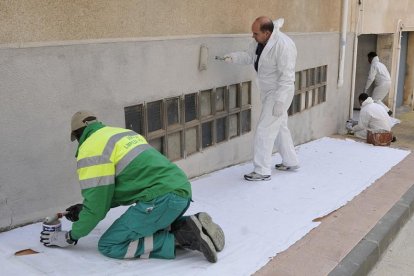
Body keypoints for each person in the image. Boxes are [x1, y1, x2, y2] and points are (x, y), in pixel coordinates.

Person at [40, 111, 225, 263]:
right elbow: (123, 186)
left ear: (78, 135)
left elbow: (97, 208)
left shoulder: (90, 149)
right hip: (179, 190)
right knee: (148, 225)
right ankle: (190, 225)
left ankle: (181, 238)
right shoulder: (121, 134)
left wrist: (70, 237)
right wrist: (85, 209)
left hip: (161, 199)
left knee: (110, 244)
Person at [221, 16, 299, 181]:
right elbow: (249, 56)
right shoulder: (259, 42)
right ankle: (291, 161)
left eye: (255, 33)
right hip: (268, 91)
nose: (253, 36)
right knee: (280, 127)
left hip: (279, 92)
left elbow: (287, 77)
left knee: (265, 129)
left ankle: (262, 170)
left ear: (267, 33)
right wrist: (233, 57)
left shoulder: (283, 45)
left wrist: (279, 101)